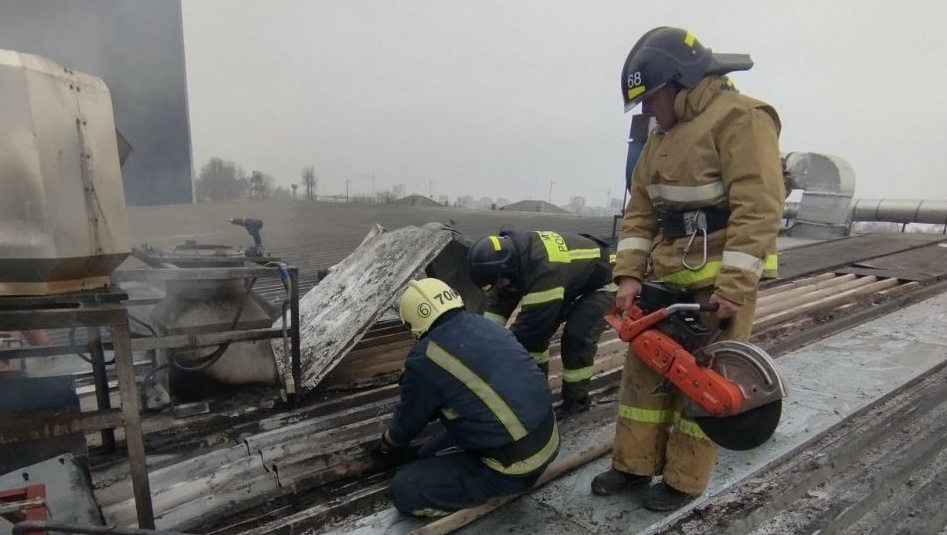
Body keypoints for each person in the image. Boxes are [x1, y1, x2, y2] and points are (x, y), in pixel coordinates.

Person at [591, 27, 785, 511]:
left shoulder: (742, 119)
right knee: (644, 375)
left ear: (683, 81)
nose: (646, 111)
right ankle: (632, 466)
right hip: (665, 278)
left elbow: (759, 208)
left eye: (651, 98)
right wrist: (630, 275)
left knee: (703, 383)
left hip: (716, 283)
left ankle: (683, 479)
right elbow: (639, 212)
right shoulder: (661, 136)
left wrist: (734, 287)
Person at [376, 278, 560, 517]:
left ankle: (484, 487)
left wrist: (387, 445)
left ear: (413, 323)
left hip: (514, 469)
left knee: (405, 489)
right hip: (549, 439)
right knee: (426, 453)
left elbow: (407, 423)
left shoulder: (425, 359)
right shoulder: (483, 325)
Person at [466, 229, 616, 419]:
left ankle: (577, 401)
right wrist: (480, 342)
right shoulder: (510, 262)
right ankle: (538, 390)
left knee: (576, 337)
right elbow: (497, 307)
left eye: (501, 280)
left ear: (508, 266)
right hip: (573, 279)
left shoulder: (543, 269)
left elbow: (531, 329)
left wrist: (496, 356)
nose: (501, 285)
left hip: (606, 280)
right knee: (536, 341)